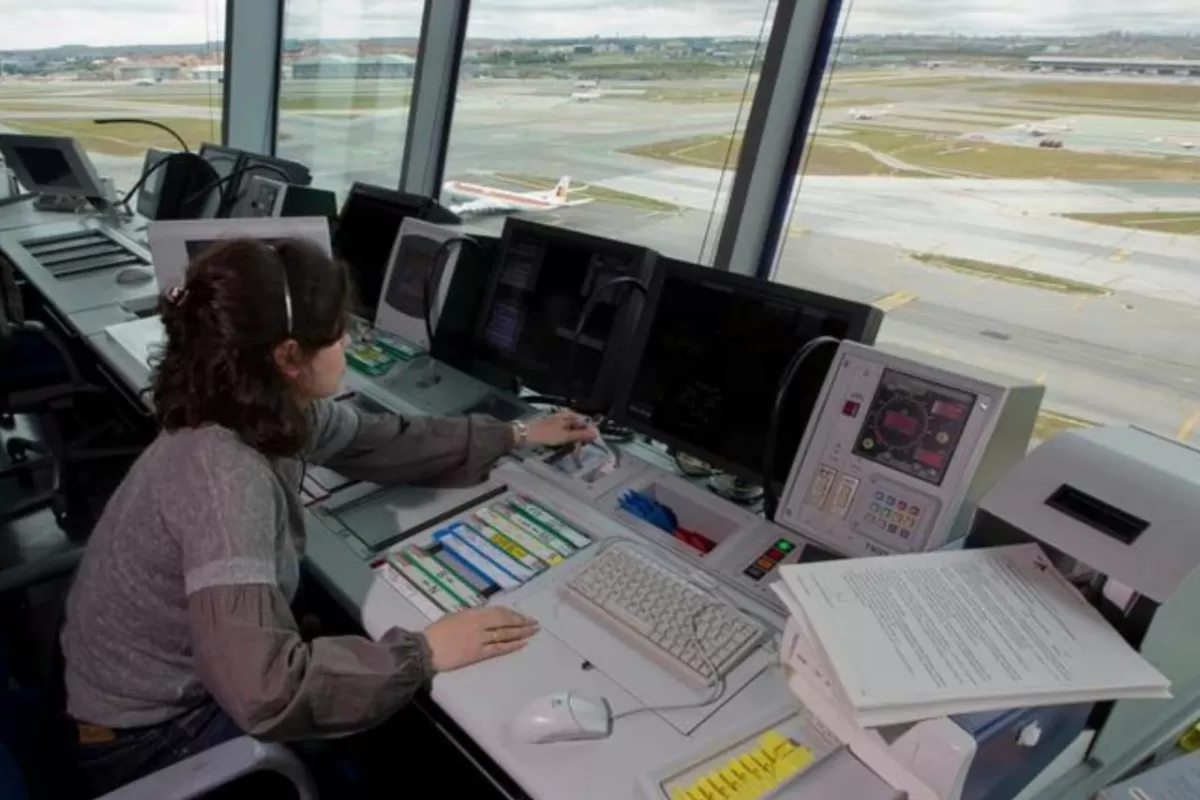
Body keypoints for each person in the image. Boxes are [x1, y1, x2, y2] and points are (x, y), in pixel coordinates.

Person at [60, 238, 597, 797]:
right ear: (289, 357)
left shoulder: (247, 406)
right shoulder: (225, 477)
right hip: (147, 742)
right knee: (410, 755)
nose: (347, 341)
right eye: (337, 333)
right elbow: (265, 691)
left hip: (131, 693)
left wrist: (514, 434)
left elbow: (377, 439)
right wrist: (427, 650)